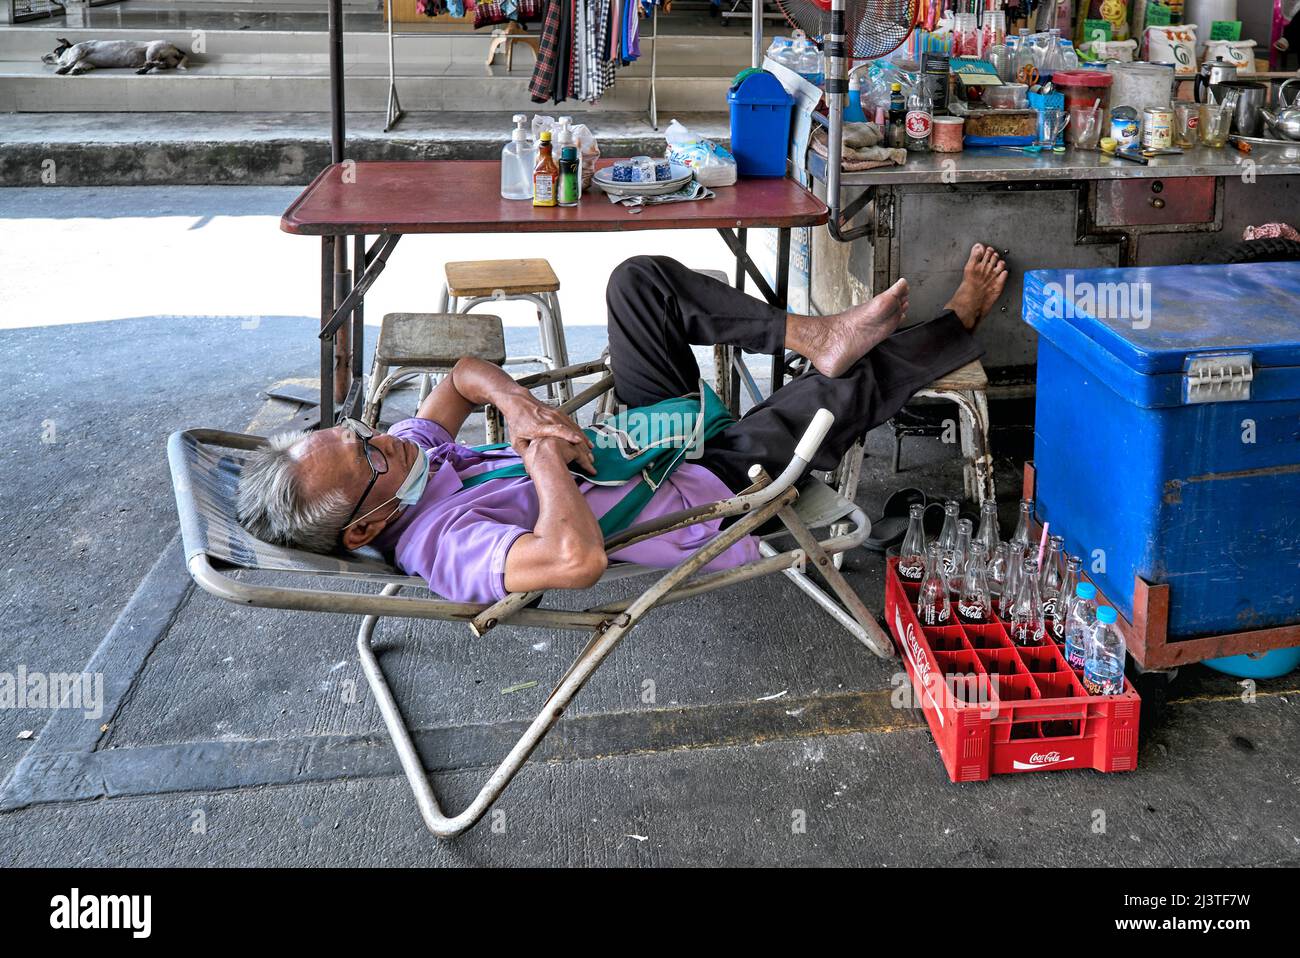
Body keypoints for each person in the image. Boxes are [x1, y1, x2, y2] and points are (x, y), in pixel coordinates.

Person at [237, 246, 1007, 604]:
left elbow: (464, 376)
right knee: (839, 396)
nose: (386, 435)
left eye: (357, 426)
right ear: (366, 528)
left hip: (643, 439)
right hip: (702, 489)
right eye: (367, 450)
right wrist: (540, 460)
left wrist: (516, 404)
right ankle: (957, 322)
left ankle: (810, 333)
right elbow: (573, 562)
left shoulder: (405, 466)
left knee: (637, 283)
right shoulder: (443, 544)